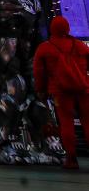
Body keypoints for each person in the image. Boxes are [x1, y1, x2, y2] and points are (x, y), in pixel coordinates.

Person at [34, 15, 89, 170]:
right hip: (83, 89)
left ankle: (71, 158)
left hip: (61, 92)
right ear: (67, 28)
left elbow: (39, 73)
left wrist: (41, 91)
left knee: (66, 123)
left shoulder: (45, 48)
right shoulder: (80, 45)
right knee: (88, 121)